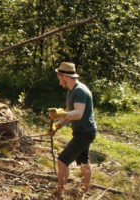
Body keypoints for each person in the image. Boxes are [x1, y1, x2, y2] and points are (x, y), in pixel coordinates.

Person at [47, 62, 97, 198]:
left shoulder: (80, 90)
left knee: (62, 161)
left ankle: (59, 193)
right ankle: (84, 192)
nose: (59, 83)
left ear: (65, 76)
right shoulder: (72, 90)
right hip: (84, 131)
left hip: (84, 132)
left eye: (59, 79)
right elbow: (69, 111)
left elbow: (78, 113)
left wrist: (61, 113)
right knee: (83, 162)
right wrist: (57, 126)